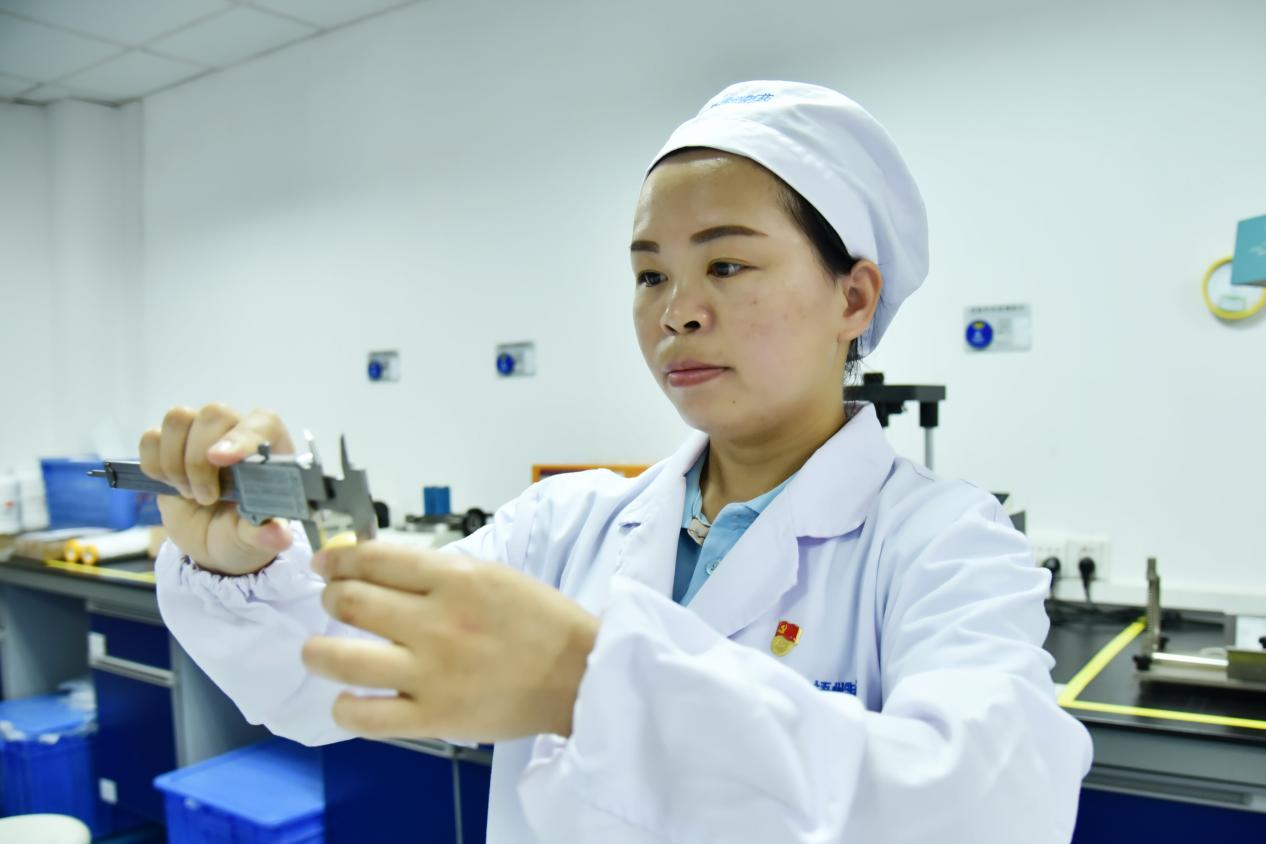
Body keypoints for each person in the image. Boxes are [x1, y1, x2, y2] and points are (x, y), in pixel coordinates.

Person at [147, 81, 1092, 843]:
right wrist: (240, 565)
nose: (677, 311)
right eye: (650, 274)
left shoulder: (944, 545)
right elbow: (333, 675)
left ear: (853, 298)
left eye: (726, 265)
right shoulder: (567, 524)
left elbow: (992, 812)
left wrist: (595, 685)